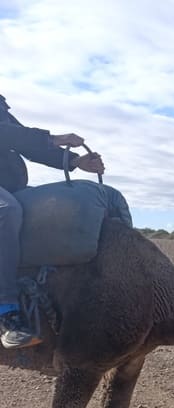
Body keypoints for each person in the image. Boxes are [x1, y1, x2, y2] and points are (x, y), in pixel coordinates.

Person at [0, 94, 105, 348]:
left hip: (8, 184)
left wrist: (74, 161)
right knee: (7, 211)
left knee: (53, 206)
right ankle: (7, 311)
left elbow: (21, 138)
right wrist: (52, 137)